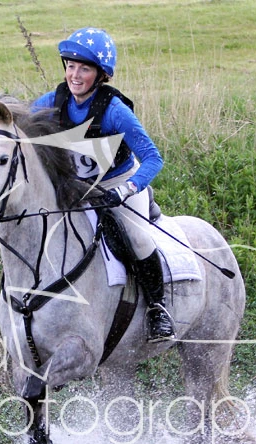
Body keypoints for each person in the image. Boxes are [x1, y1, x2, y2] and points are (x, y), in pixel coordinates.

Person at [32, 27, 175, 342]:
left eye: (84, 69)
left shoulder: (114, 111)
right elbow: (17, 126)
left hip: (117, 183)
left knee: (137, 238)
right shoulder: (52, 101)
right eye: (70, 66)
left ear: (101, 75)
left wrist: (126, 190)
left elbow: (153, 158)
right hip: (77, 186)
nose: (75, 75)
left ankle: (157, 308)